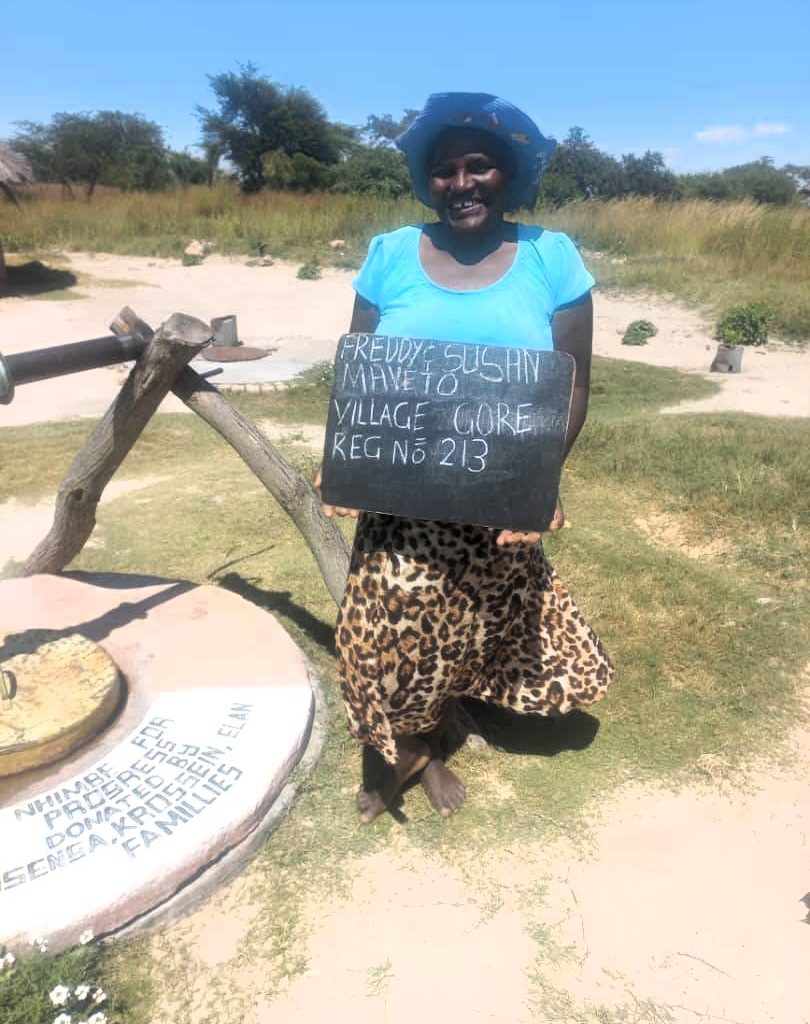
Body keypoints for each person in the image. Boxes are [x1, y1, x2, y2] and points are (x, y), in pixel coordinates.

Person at [317, 93, 613, 823]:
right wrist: (343, 452)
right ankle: (407, 746)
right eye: (444, 169)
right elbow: (360, 372)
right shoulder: (389, 255)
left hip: (501, 491)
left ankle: (436, 738)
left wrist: (540, 485)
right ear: (428, 181)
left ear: (507, 175)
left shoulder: (553, 257)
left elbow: (572, 386)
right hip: (401, 494)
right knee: (387, 631)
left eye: (478, 165)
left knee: (472, 628)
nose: (461, 182)